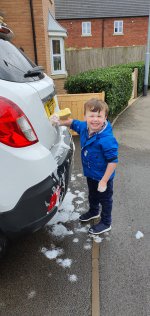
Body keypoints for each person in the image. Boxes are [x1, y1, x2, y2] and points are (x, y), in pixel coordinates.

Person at [50, 98, 118, 235]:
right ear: (85, 116)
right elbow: (72, 122)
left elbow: (113, 161)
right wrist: (59, 122)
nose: (95, 119)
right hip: (91, 173)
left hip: (103, 177)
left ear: (105, 118)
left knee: (105, 200)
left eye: (99, 116)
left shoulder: (107, 139)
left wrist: (104, 181)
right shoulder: (84, 127)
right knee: (92, 195)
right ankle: (93, 211)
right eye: (91, 115)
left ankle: (106, 222)